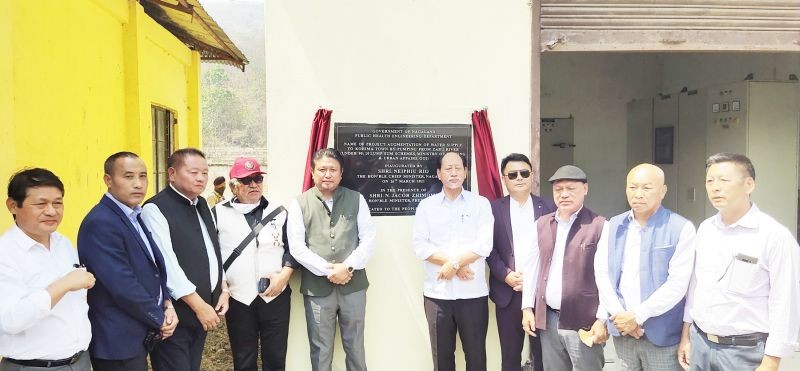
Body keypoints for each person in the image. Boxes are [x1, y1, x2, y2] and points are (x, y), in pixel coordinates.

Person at [678, 153, 800, 371]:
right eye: (710, 181)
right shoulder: (706, 228)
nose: (715, 187)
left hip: (744, 352)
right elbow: (696, 286)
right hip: (701, 345)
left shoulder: (774, 236)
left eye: (724, 180)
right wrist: (686, 335)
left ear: (749, 184)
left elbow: (785, 302)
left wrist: (772, 361)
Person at [77, 152, 177, 371]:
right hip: (116, 340)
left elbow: (152, 269)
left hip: (138, 331)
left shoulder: (133, 215)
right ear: (108, 180)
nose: (138, 184)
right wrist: (158, 316)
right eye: (128, 176)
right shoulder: (101, 222)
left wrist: (167, 303)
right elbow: (122, 283)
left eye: (143, 176)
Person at [594, 163, 695, 371]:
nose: (638, 194)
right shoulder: (612, 225)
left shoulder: (680, 227)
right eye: (632, 187)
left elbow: (678, 284)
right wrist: (620, 316)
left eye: (646, 188)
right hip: (623, 333)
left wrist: (637, 316)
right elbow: (603, 274)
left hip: (662, 336)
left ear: (663, 191)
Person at [287, 148, 376, 371]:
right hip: (317, 289)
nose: (328, 174)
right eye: (322, 169)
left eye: (333, 170)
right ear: (313, 172)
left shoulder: (357, 199)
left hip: (353, 285)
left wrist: (347, 267)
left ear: (341, 172)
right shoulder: (299, 203)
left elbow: (368, 239)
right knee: (320, 349)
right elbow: (297, 247)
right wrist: (330, 270)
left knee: (355, 346)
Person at [141, 148, 230, 371]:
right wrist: (199, 306)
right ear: (172, 173)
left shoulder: (202, 205)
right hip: (175, 316)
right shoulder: (155, 209)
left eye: (204, 173)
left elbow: (213, 250)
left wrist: (223, 287)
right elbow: (166, 264)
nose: (201, 178)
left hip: (202, 313)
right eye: (193, 172)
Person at [0, 168, 95, 370]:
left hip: (79, 361)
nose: (52, 211)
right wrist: (65, 284)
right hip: (34, 366)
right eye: (41, 204)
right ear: (13, 206)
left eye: (58, 203)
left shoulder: (63, 243)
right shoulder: (6, 254)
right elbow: (11, 320)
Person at [214, 156, 298, 371]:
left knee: (276, 358)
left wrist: (284, 276)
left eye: (258, 179)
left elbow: (293, 247)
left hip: (275, 296)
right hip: (238, 297)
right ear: (233, 186)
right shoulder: (218, 214)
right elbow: (211, 255)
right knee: (244, 359)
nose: (253, 184)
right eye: (246, 180)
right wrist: (223, 287)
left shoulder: (279, 212)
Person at [412, 151, 494, 371]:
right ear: (439, 174)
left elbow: (484, 244)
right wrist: (454, 264)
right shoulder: (426, 206)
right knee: (442, 360)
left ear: (466, 172)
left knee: (476, 358)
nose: (454, 173)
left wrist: (453, 265)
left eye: (458, 168)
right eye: (448, 169)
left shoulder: (481, 204)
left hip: (473, 295)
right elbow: (421, 245)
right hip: (437, 296)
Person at [521, 165, 607, 371]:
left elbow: (606, 277)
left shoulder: (599, 225)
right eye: (558, 189)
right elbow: (532, 268)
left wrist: (602, 319)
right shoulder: (542, 224)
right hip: (548, 319)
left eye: (571, 188)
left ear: (585, 189)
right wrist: (526, 308)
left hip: (584, 321)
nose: (564, 194)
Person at [486, 153, 555, 371]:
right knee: (510, 357)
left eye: (524, 173)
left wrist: (535, 279)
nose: (519, 178)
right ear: (504, 178)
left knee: (542, 356)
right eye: (513, 174)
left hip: (540, 294)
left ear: (531, 175)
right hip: (508, 292)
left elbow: (555, 248)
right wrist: (506, 274)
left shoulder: (549, 207)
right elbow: (488, 248)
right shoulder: (492, 209)